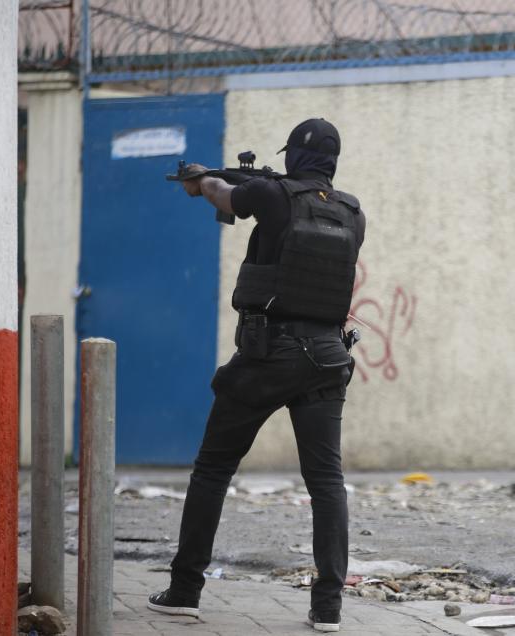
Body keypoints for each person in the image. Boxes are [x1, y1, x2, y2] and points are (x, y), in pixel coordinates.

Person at [148, 118, 364, 633]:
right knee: (326, 481)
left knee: (214, 468)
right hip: (329, 355)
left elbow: (226, 195)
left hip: (270, 352)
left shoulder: (270, 194)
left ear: (292, 158)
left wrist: (202, 181)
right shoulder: (353, 212)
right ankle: (328, 606)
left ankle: (184, 589)